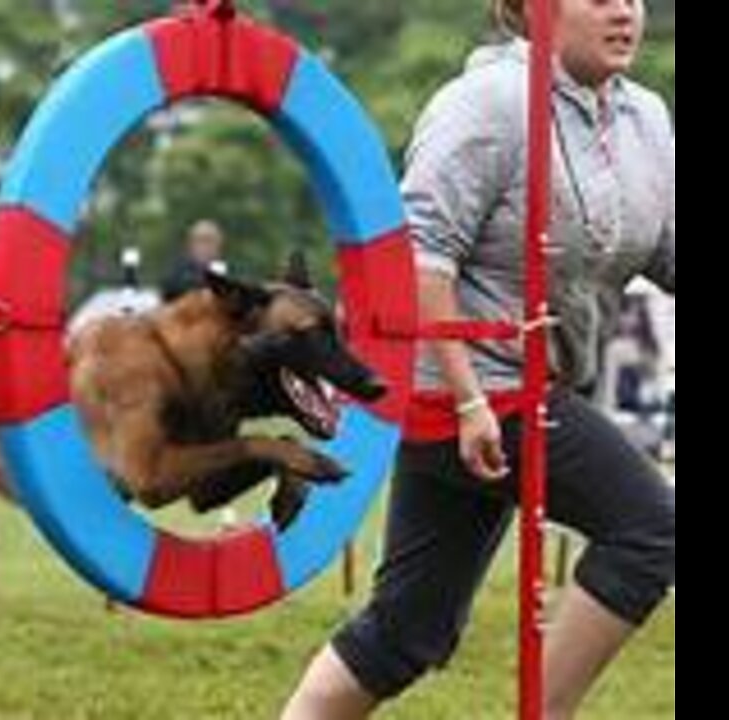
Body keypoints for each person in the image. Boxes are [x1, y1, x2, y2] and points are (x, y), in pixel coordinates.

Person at [281, 1, 674, 718]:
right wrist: (468, 402)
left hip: (531, 389)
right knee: (650, 529)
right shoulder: (486, 105)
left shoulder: (646, 117)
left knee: (405, 631)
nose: (624, 10)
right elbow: (417, 262)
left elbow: (666, 251)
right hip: (463, 389)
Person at [159, 218, 227, 301]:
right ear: (191, 244)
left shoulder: (228, 272)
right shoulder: (177, 275)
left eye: (211, 241)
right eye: (202, 241)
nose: (206, 247)